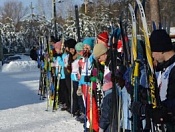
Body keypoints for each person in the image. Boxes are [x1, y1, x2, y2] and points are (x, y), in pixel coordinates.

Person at [149, 29, 175, 131]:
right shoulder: (165, 67)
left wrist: (161, 109)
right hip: (166, 124)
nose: (152, 55)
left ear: (161, 49)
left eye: (153, 51)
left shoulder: (173, 68)